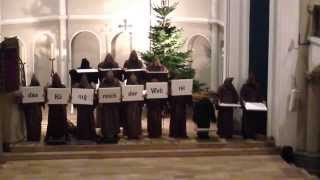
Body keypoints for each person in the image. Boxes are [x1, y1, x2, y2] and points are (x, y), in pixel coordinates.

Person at [146, 57, 167, 138]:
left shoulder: (163, 68)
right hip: (151, 93)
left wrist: (159, 82)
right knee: (151, 114)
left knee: (158, 115)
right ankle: (151, 132)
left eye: (158, 61)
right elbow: (146, 77)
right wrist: (152, 81)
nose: (157, 62)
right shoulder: (149, 68)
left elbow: (165, 77)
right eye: (155, 61)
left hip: (159, 93)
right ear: (153, 61)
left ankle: (158, 132)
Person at [45, 73, 68, 145]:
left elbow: (46, 99)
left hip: (55, 110)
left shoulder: (50, 88)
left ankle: (51, 136)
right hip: (58, 110)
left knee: (54, 122)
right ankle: (64, 135)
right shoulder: (62, 87)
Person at [240, 74, 266, 139]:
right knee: (246, 121)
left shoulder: (257, 87)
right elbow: (242, 96)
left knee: (253, 122)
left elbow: (260, 95)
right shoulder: (245, 86)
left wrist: (262, 101)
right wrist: (243, 102)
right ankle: (246, 134)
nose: (252, 80)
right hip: (247, 107)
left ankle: (252, 134)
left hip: (254, 106)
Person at [99, 71, 121, 143]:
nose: (109, 78)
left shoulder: (117, 82)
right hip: (106, 106)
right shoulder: (103, 83)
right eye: (108, 77)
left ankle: (115, 133)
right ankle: (106, 133)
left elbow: (120, 91)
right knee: (106, 119)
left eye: (111, 77)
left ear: (113, 76)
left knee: (114, 119)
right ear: (106, 77)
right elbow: (100, 92)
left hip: (114, 105)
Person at [73, 74, 97, 141]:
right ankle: (88, 135)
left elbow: (75, 103)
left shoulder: (78, 88)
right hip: (88, 112)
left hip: (81, 112)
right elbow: (94, 101)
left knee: (82, 123)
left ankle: (81, 135)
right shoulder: (90, 87)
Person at [23, 74, 44, 142]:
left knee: (33, 125)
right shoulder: (29, 89)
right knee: (33, 125)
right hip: (34, 110)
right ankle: (35, 138)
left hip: (32, 111)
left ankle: (33, 138)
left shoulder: (30, 89)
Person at [124, 74, 143, 139]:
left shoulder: (137, 86)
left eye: (134, 78)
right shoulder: (127, 87)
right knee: (131, 119)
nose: (133, 80)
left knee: (135, 119)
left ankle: (134, 133)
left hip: (134, 106)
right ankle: (132, 134)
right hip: (131, 106)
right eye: (132, 78)